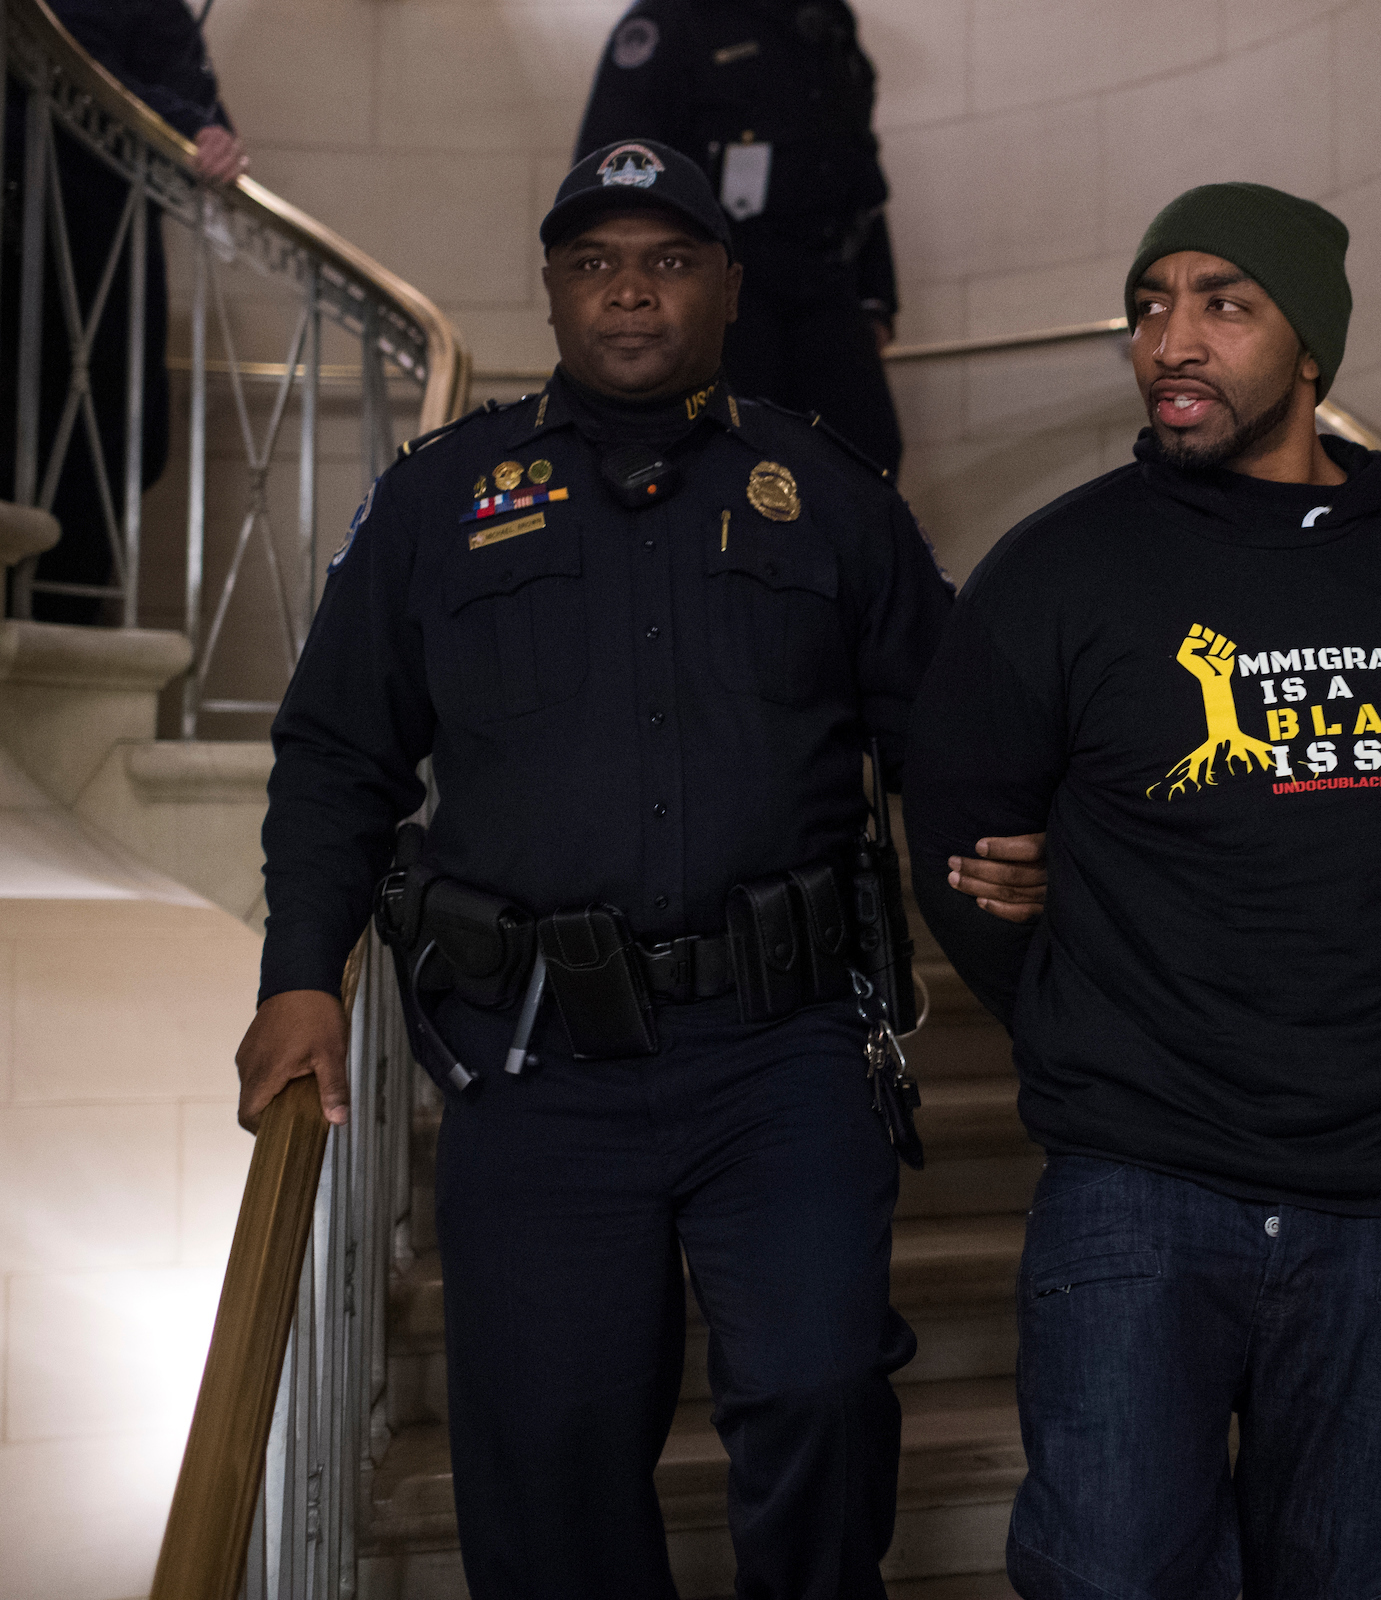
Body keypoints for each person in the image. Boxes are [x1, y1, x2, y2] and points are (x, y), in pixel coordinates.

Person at [233, 141, 953, 1600]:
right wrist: (301, 975)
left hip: (787, 1055)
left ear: (730, 288)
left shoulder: (826, 495)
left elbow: (956, 746)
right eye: (595, 264)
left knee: (819, 1394)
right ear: (553, 293)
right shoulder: (444, 502)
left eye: (671, 260)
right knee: (548, 1452)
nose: (631, 292)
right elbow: (334, 759)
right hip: (537, 1062)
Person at [903, 182, 1381, 1600]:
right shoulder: (1063, 565)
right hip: (1138, 1181)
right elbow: (958, 836)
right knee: (1109, 1576)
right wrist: (1088, 988)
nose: (1171, 341)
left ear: (1310, 351)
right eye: (1151, 306)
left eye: (1223, 303)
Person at [575, 0, 905, 473]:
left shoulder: (825, 17)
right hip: (724, 295)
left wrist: (877, 297)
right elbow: (613, 177)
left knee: (867, 460)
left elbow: (856, 166)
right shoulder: (669, 22)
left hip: (827, 286)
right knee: (729, 466)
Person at [7, 0, 248, 623]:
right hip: (24, 256)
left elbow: (183, 98)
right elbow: (66, 64)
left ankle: (61, 621)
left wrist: (207, 133)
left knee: (115, 449)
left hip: (102, 279)